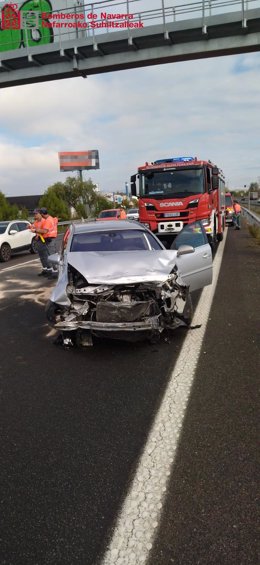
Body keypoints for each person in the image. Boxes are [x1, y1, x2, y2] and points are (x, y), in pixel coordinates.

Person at [28, 209, 51, 276]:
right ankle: (45, 269)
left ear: (40, 214)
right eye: (34, 214)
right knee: (41, 256)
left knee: (45, 255)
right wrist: (29, 227)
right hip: (38, 240)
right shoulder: (36, 221)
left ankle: (49, 270)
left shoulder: (44, 221)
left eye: (36, 214)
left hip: (43, 240)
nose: (35, 215)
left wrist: (37, 233)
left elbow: (44, 231)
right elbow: (33, 226)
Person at [38, 208, 59, 278]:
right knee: (52, 256)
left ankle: (56, 273)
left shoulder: (48, 221)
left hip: (50, 239)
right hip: (51, 239)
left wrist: (35, 230)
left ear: (42, 214)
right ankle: (55, 272)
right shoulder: (51, 218)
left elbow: (44, 231)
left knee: (51, 256)